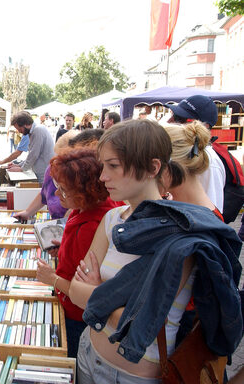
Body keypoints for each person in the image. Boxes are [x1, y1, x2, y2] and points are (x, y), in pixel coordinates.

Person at [69, 119, 242, 383]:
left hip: (132, 375)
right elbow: (74, 290)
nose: (103, 176)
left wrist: (95, 291)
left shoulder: (182, 234)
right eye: (103, 166)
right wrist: (107, 299)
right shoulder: (113, 219)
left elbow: (140, 323)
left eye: (113, 166)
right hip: (89, 352)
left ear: (152, 167)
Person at [34, 148, 121, 358]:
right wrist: (64, 247)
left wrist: (51, 278)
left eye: (63, 190)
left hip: (77, 315)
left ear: (86, 192)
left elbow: (85, 293)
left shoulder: (93, 227)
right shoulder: (89, 208)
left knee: (73, 358)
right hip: (72, 305)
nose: (56, 194)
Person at [165, 95, 225, 212]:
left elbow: (211, 214)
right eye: (172, 115)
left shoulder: (210, 162)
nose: (169, 121)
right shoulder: (188, 153)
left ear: (203, 126)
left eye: (179, 118)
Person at [14, 130, 80, 221]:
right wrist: (27, 212)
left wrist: (64, 224)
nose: (59, 162)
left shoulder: (81, 177)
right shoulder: (52, 168)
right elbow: (44, 193)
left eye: (65, 159)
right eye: (58, 156)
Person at [6, 111, 55, 184]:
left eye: (19, 129)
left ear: (25, 124)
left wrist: (22, 168)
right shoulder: (35, 131)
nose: (19, 132)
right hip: (42, 172)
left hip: (44, 174)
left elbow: (34, 154)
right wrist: (19, 165)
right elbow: (32, 154)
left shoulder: (38, 131)